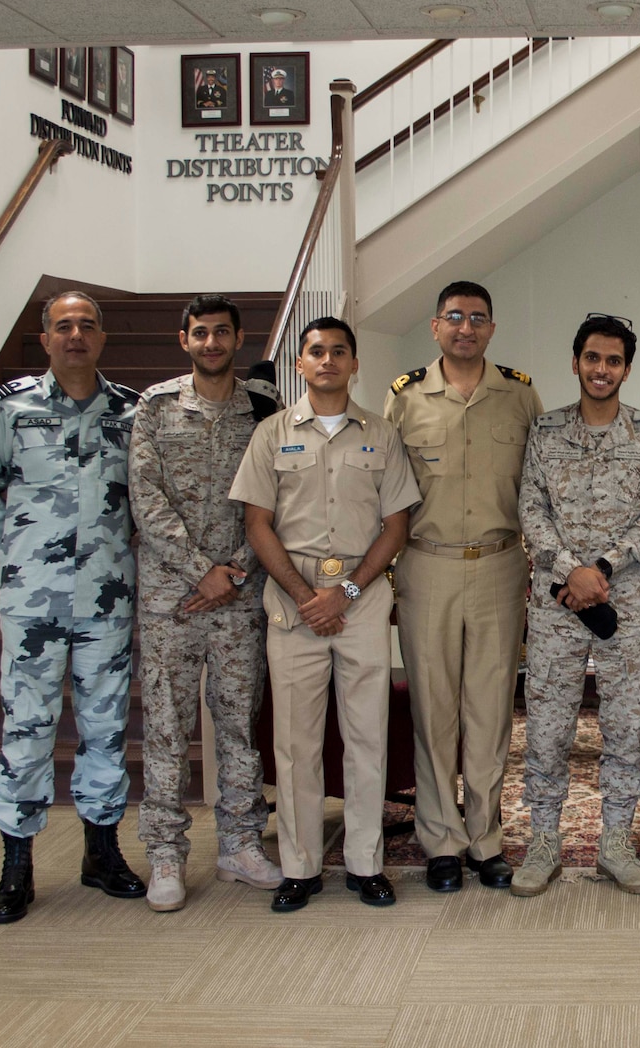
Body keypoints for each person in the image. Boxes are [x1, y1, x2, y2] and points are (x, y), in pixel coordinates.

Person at [0, 291, 146, 924]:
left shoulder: (130, 412)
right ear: (45, 339)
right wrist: (18, 559)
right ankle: (17, 864)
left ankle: (101, 852)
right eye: (63, 326)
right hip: (32, 599)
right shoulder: (12, 409)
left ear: (101, 338)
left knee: (105, 727)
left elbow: (142, 505)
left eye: (86, 326)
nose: (75, 335)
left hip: (108, 597)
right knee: (27, 728)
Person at [229, 316, 420, 912]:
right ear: (301, 364)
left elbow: (397, 526)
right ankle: (301, 867)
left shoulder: (382, 435)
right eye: (316, 351)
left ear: (355, 363)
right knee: (295, 743)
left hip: (359, 603)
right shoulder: (271, 434)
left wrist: (348, 593)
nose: (328, 360)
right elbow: (256, 523)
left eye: (339, 351)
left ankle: (366, 865)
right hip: (292, 605)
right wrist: (302, 594)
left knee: (367, 738)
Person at [513, 314, 640, 897]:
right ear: (576, 361)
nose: (601, 369)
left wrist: (601, 569)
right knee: (549, 728)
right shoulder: (546, 431)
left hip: (624, 602)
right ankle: (542, 842)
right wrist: (569, 571)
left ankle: (615, 841)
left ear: (627, 368)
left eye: (613, 360)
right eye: (591, 358)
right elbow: (530, 508)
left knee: (626, 727)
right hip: (557, 604)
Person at [385, 281, 541, 892]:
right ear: (435, 326)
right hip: (427, 565)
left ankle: (486, 839)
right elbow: (388, 494)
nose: (466, 328)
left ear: (492, 328)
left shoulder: (520, 397)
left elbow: (537, 486)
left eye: (478, 318)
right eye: (455, 317)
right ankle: (441, 840)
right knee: (433, 708)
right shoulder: (405, 400)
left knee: (490, 709)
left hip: (502, 565)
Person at [129, 294, 283, 912]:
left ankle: (241, 843)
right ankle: (165, 855)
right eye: (201, 333)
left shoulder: (264, 411)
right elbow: (145, 497)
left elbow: (277, 500)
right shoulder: (156, 406)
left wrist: (236, 572)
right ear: (184, 339)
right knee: (167, 727)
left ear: (239, 339)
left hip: (241, 596)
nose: (212, 343)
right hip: (172, 597)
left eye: (222, 333)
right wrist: (201, 571)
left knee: (239, 725)